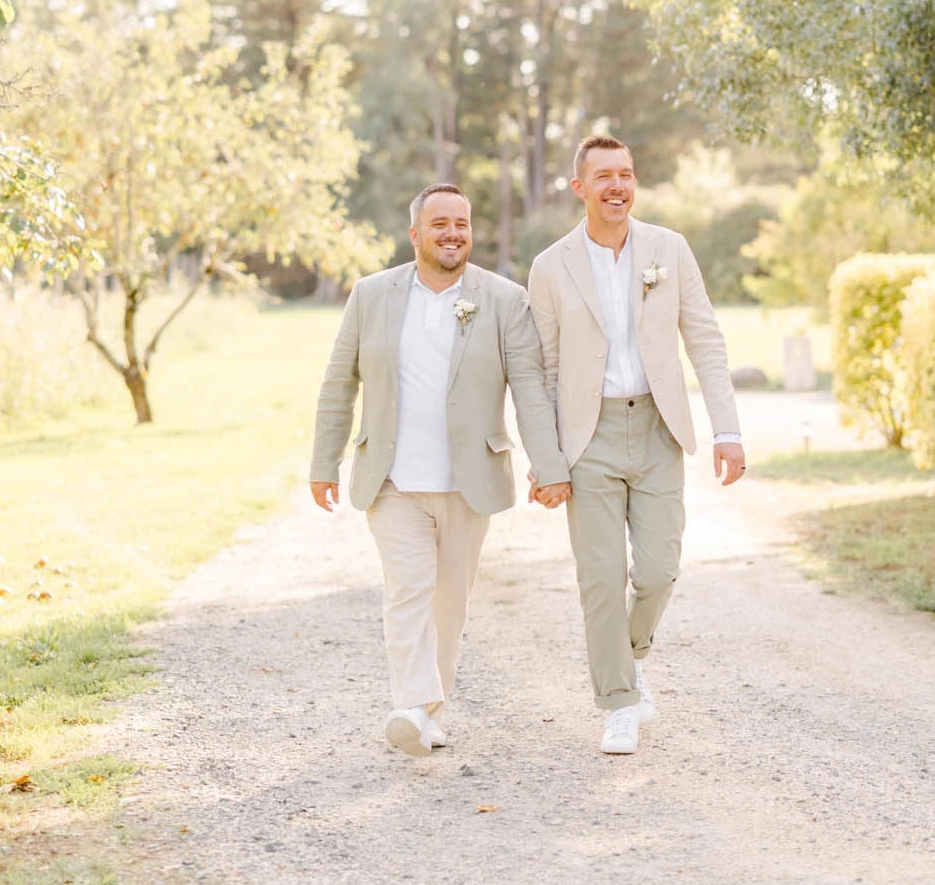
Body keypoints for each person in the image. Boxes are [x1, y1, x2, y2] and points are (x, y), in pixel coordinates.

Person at [310, 182, 570, 757]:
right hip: (392, 480)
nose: (453, 234)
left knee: (448, 605)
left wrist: (549, 465)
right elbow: (338, 382)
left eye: (462, 224)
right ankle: (407, 705)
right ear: (415, 234)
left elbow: (529, 388)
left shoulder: (504, 299)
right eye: (440, 224)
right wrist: (322, 462)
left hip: (467, 482)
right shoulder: (371, 295)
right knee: (408, 590)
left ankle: (429, 710)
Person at [527, 135, 746, 755]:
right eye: (603, 177)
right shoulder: (551, 266)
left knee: (656, 572)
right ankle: (618, 704)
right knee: (600, 577)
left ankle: (628, 656)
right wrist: (546, 460)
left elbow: (705, 339)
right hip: (586, 437)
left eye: (625, 174)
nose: (617, 186)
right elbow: (540, 371)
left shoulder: (668, 250)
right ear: (580, 188)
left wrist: (727, 430)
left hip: (657, 429)